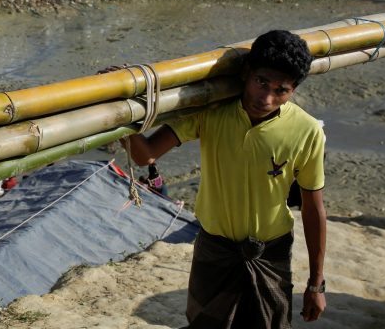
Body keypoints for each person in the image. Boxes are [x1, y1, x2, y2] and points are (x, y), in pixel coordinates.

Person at [124, 30, 326, 328]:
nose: (266, 98)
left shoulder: (307, 131)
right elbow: (146, 155)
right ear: (246, 73)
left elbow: (313, 209)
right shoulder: (211, 112)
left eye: (280, 90)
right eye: (261, 82)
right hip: (214, 249)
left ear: (293, 90)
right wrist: (123, 108)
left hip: (271, 252)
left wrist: (316, 284)